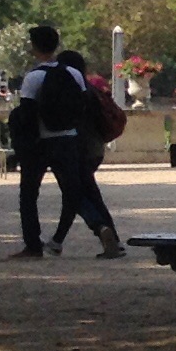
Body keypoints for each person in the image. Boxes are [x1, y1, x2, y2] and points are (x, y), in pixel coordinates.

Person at [45, 51, 123, 257]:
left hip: (74, 149)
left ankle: (100, 228)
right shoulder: (91, 89)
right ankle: (110, 239)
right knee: (90, 195)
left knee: (76, 196)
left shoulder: (64, 89)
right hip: (95, 149)